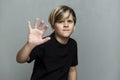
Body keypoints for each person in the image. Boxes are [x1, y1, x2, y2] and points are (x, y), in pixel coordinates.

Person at [16, 5, 78, 80]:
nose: (66, 25)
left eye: (69, 21)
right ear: (53, 26)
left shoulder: (73, 44)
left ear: (74, 26)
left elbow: (72, 70)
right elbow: (20, 59)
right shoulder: (43, 43)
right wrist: (29, 45)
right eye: (60, 21)